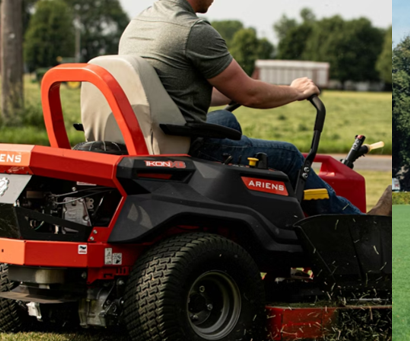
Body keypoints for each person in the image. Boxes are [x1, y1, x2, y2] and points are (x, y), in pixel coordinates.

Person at [118, 0, 391, 216]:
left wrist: (237, 91)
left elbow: (176, 88)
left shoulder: (140, 23)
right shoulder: (192, 31)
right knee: (289, 155)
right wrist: (296, 92)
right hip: (183, 144)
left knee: (225, 120)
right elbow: (251, 95)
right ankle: (355, 226)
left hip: (142, 135)